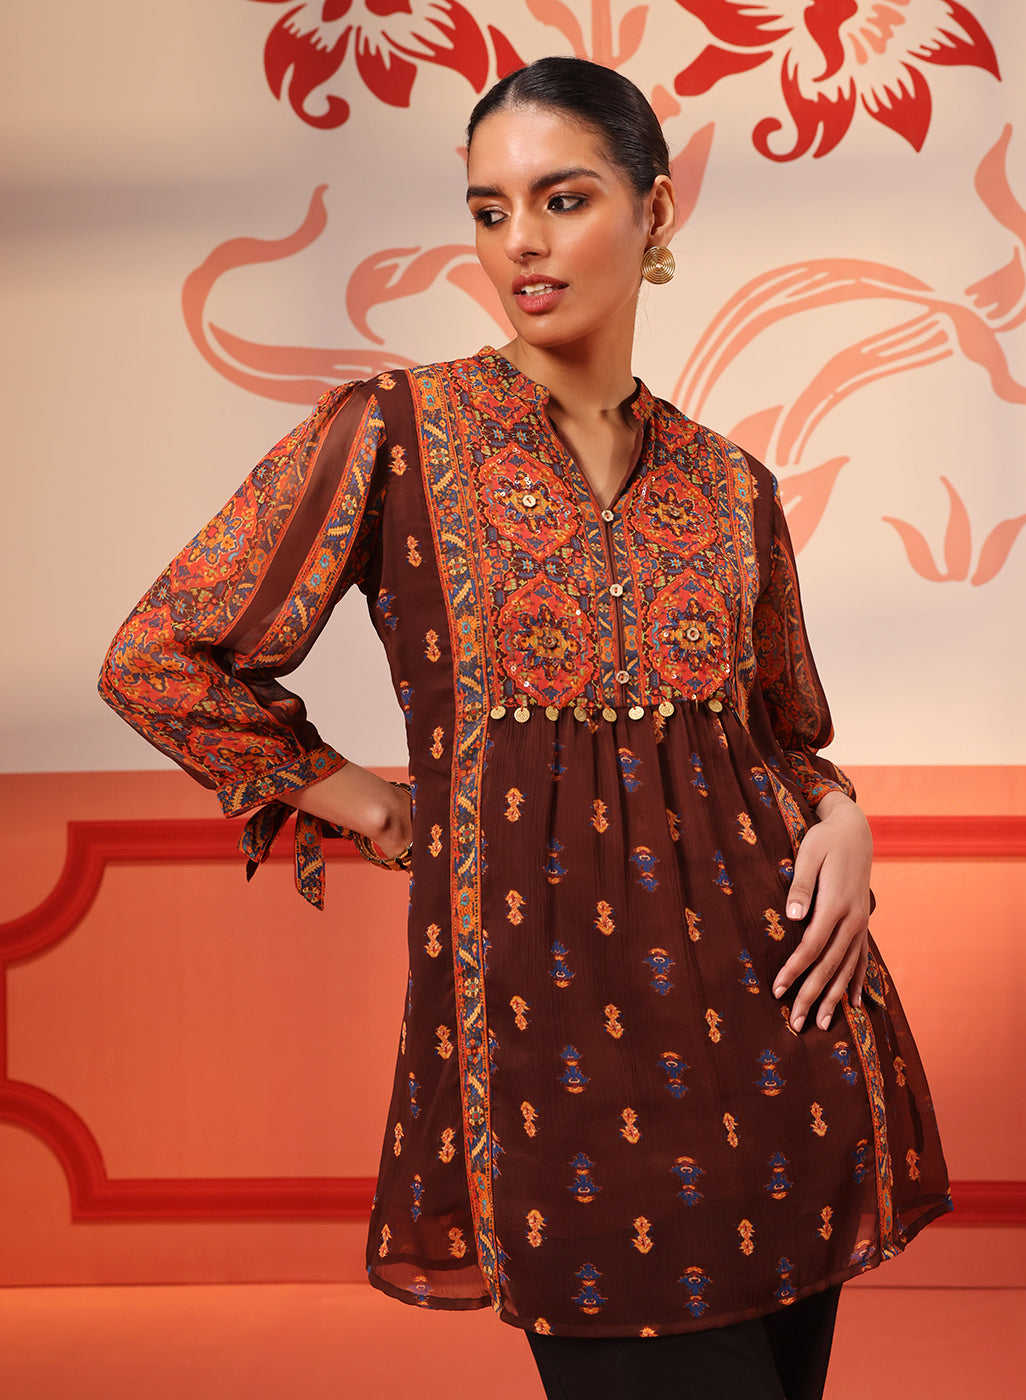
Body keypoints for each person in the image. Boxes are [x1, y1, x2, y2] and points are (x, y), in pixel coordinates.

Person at [99, 56, 950, 1400]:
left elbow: (782, 739)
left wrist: (842, 817)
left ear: (655, 211)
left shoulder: (729, 486)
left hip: (782, 1047)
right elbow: (161, 656)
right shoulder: (394, 434)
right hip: (560, 1076)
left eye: (563, 198)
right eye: (490, 211)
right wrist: (364, 801)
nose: (522, 244)